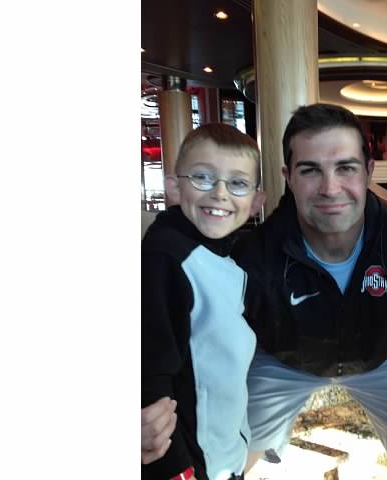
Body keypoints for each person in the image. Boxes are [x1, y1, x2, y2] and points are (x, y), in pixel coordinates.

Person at [144, 104, 387, 479]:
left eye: (346, 168)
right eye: (310, 170)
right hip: (284, 363)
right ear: (288, 177)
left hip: (381, 359)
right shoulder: (253, 256)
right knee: (224, 465)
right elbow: (172, 328)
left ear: (368, 171)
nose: (330, 188)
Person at [142, 123, 265, 480]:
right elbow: (150, 371)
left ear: (256, 201)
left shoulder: (223, 257)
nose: (220, 193)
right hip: (193, 465)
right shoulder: (167, 256)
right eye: (202, 178)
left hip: (223, 457)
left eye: (237, 183)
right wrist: (177, 469)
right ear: (173, 187)